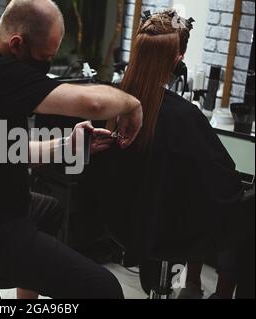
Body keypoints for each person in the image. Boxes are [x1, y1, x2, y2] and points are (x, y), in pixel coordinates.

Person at [0, 0, 142, 299]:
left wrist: (69, 145)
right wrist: (132, 102)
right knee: (105, 289)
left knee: (49, 208)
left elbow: (8, 148)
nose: (47, 66)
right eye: (45, 57)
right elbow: (93, 104)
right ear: (16, 44)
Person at [79, 9, 245, 298]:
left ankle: (190, 284)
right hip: (168, 230)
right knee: (238, 209)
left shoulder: (109, 103)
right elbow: (224, 183)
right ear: (177, 61)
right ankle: (215, 290)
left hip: (122, 224)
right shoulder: (184, 116)